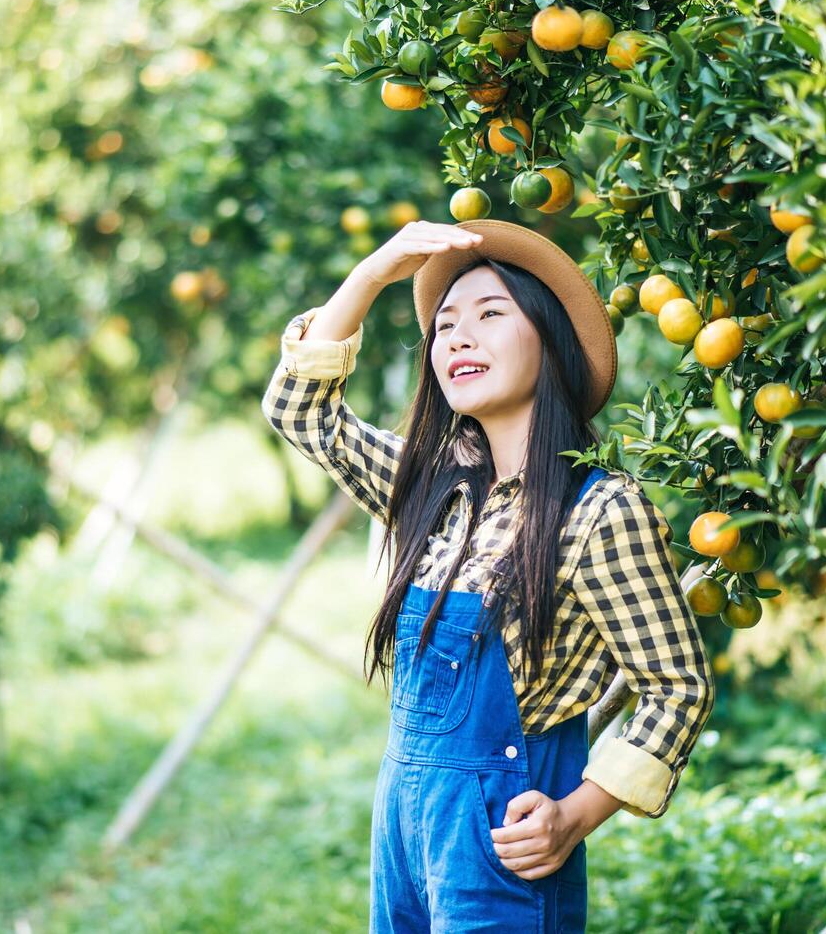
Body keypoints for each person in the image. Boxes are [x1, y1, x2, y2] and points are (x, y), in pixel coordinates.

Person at [260, 218, 716, 933]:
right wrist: (375, 271)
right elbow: (299, 410)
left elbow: (676, 685)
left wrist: (576, 814)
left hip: (500, 849)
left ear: (550, 342)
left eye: (490, 314)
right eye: (444, 326)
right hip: (402, 835)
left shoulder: (597, 511)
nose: (458, 338)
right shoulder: (430, 489)